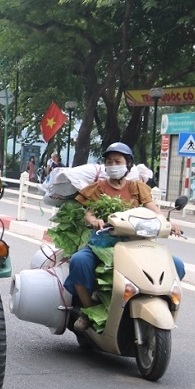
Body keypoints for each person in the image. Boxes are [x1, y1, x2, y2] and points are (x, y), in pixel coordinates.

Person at [64, 142, 186, 331]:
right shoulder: (99, 188)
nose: (113, 165)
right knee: (79, 261)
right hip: (103, 244)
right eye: (109, 162)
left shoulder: (137, 188)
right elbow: (89, 213)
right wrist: (94, 221)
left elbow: (154, 210)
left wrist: (170, 224)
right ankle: (88, 311)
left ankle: (157, 303)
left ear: (128, 165)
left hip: (136, 244)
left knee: (176, 265)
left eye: (117, 161)